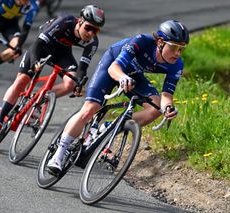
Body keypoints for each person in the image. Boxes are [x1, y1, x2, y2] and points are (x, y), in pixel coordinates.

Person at [47, 19, 190, 173]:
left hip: (134, 74)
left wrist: (168, 107)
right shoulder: (142, 41)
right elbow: (114, 68)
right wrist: (122, 77)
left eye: (181, 49)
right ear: (160, 42)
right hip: (113, 65)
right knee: (90, 108)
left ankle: (112, 126)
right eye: (174, 47)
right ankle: (59, 154)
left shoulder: (177, 65)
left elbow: (167, 94)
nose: (177, 53)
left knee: (155, 108)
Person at [0, 5, 105, 138]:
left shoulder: (92, 42)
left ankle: (38, 99)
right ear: (80, 21)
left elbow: (82, 68)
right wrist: (34, 62)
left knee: (70, 84)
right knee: (22, 79)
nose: (90, 33)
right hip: (42, 47)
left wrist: (79, 83)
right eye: (88, 28)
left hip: (62, 53)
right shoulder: (65, 21)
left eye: (95, 31)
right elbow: (37, 45)